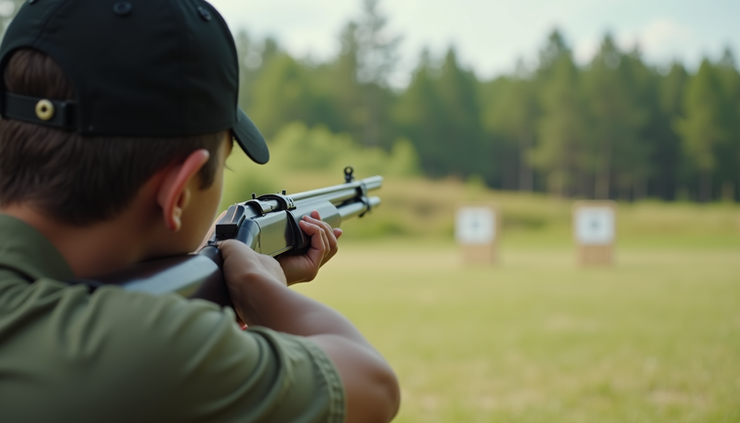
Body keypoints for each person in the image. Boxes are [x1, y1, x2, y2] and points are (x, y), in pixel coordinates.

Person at [0, 0, 400, 422]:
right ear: (178, 193)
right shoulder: (142, 343)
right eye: (224, 163)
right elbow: (373, 386)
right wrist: (261, 286)